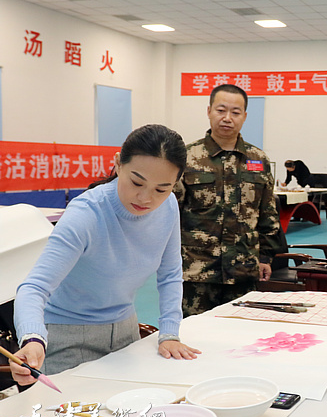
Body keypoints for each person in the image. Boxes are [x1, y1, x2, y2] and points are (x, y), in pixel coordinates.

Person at [11, 124, 201, 384]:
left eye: (161, 188)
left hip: (126, 332)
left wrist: (169, 332)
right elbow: (33, 287)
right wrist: (33, 339)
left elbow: (170, 274)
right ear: (117, 164)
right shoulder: (86, 215)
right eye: (136, 182)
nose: (145, 198)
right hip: (66, 338)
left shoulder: (167, 207)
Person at [176, 84, 281, 316]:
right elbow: (170, 213)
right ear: (209, 111)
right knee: (195, 338)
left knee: (240, 338)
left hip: (244, 269)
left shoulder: (258, 159)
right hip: (197, 272)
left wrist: (265, 257)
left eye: (235, 112)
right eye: (221, 110)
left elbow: (268, 213)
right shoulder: (187, 157)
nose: (227, 118)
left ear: (244, 116)